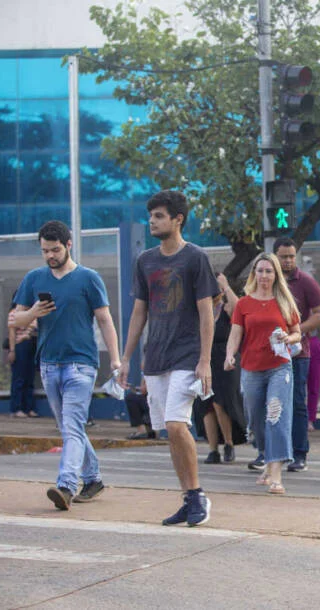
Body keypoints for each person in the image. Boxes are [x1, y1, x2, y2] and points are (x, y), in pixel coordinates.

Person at [118, 190, 219, 527]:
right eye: (151, 216)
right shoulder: (145, 260)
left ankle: (198, 497)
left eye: (159, 216)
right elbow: (138, 312)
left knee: (178, 423)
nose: (152, 221)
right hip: (156, 357)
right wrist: (127, 357)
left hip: (187, 356)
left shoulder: (195, 258)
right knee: (168, 432)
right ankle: (188, 497)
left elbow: (207, 313)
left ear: (178, 219)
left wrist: (205, 360)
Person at [10, 220, 121, 510]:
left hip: (81, 364)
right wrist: (33, 312)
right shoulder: (34, 279)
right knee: (69, 428)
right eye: (45, 251)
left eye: (55, 250)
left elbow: (105, 319)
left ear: (69, 245)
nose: (50, 256)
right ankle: (93, 477)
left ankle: (66, 486)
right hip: (48, 364)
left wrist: (117, 359)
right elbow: (15, 320)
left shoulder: (88, 278)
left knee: (71, 426)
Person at [225, 254, 302, 494]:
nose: (264, 276)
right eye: (260, 271)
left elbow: (297, 332)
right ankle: (267, 460)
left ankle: (277, 474)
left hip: (279, 366)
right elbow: (236, 334)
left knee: (276, 415)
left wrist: (289, 338)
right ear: (254, 274)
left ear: (276, 275)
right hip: (251, 368)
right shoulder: (244, 304)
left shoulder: (284, 302)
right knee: (256, 420)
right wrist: (230, 355)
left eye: (269, 271)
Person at [273, 237, 320, 474]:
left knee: (297, 403)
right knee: (271, 404)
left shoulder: (305, 281)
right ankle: (270, 453)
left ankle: (299, 453)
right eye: (283, 256)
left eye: (291, 256)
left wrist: (297, 331)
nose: (287, 261)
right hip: (268, 354)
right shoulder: (266, 279)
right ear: (274, 255)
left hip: (297, 353)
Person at [200, 273, 247, 464]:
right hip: (205, 359)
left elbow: (239, 308)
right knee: (206, 405)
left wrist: (226, 286)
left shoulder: (227, 307)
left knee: (222, 402)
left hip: (225, 359)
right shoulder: (203, 308)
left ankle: (228, 443)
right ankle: (213, 449)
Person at [6, 292, 38, 418]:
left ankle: (29, 407)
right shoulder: (14, 313)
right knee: (19, 377)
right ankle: (16, 408)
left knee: (29, 377)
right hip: (20, 345)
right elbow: (12, 333)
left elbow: (36, 326)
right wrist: (12, 350)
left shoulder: (31, 312)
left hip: (31, 344)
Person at [306, 323, 320, 431]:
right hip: (295, 344)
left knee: (314, 385)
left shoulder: (316, 311)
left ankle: (310, 419)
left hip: (313, 346)